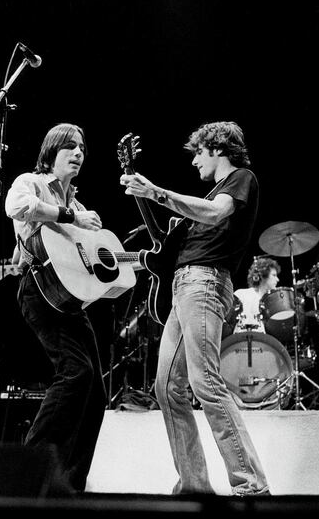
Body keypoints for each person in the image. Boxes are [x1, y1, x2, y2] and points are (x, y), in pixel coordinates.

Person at [120, 121, 270, 496]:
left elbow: (217, 213)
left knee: (206, 383)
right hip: (185, 286)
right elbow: (165, 247)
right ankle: (194, 485)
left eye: (198, 153)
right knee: (166, 387)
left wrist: (155, 192)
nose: (194, 163)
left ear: (217, 148)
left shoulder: (240, 179)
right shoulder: (204, 200)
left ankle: (252, 485)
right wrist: (152, 202)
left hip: (204, 284)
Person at [4, 122, 106, 493]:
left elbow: (87, 258)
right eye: (71, 147)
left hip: (69, 299)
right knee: (76, 373)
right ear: (52, 152)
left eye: (82, 148)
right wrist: (70, 217)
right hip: (39, 290)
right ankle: (28, 469)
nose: (79, 153)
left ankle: (69, 484)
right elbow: (15, 206)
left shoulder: (77, 201)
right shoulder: (31, 182)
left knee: (96, 392)